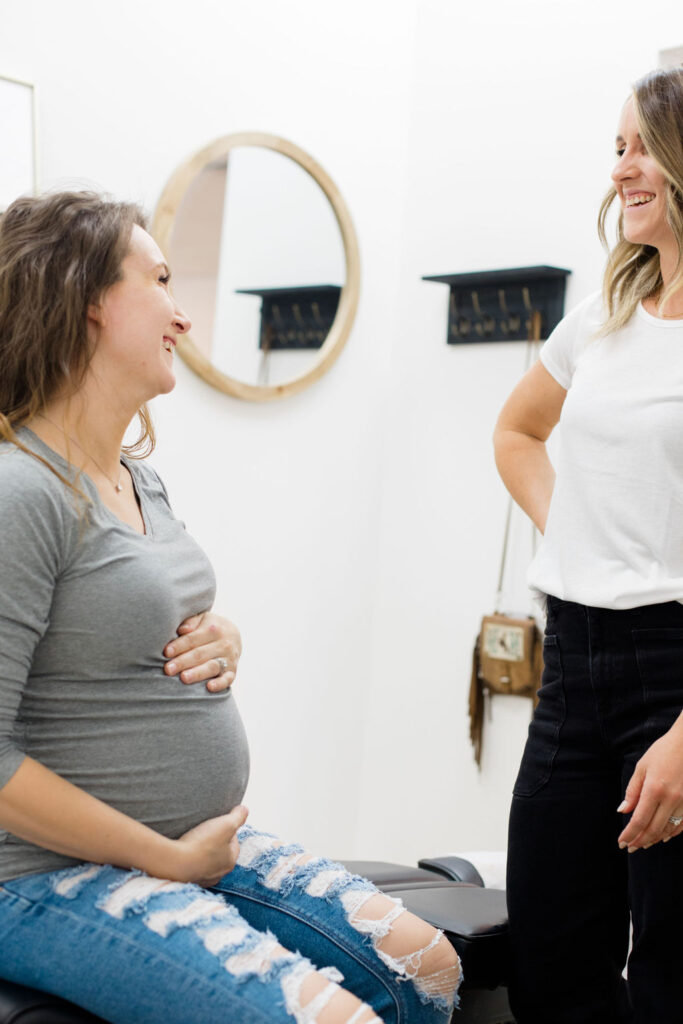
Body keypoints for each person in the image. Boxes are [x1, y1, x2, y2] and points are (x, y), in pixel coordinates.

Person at [0, 190, 461, 1024]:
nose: (182, 312)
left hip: (186, 844)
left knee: (426, 966)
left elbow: (127, 619)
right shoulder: (20, 490)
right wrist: (166, 860)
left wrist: (224, 637)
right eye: (161, 281)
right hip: (38, 874)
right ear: (87, 301)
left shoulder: (138, 476)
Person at [494, 65, 683, 1024]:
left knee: (669, 979)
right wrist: (573, 526)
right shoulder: (604, 314)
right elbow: (515, 434)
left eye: (640, 145)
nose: (621, 169)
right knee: (552, 960)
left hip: (673, 672)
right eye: (615, 148)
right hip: (571, 663)